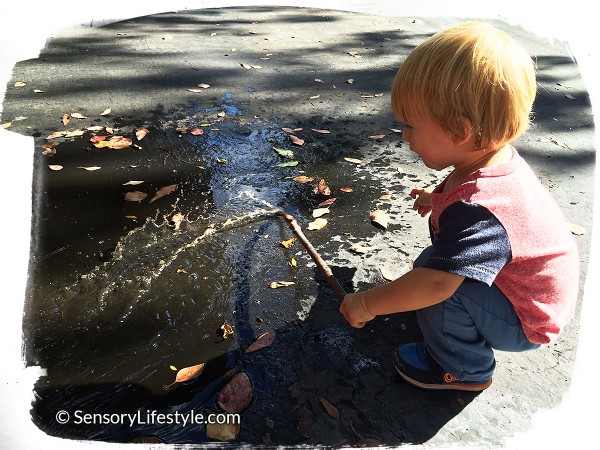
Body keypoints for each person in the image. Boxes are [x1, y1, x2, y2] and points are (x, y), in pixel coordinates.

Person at [338, 21, 579, 391]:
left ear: (460, 130)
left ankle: (464, 370)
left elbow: (437, 282)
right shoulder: (491, 162)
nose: (403, 136)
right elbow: (468, 202)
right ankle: (461, 327)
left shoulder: (479, 208)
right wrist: (437, 201)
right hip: (525, 289)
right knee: (432, 270)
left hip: (526, 318)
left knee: (438, 283)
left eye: (411, 126)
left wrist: (367, 304)